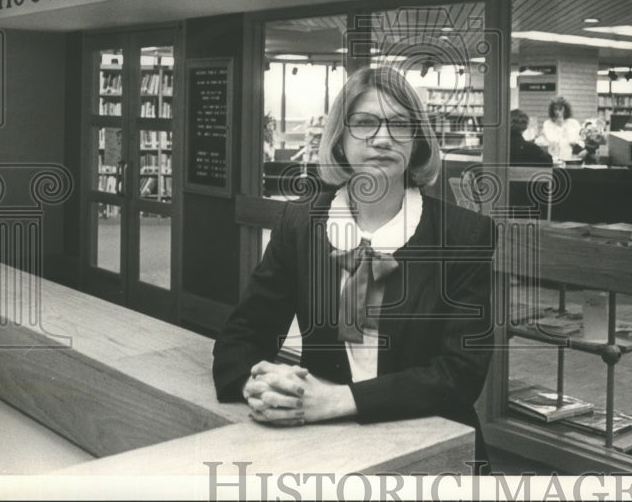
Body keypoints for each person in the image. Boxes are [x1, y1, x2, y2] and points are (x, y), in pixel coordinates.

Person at [212, 65, 496, 465]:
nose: (382, 138)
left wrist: (334, 401)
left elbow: (460, 375)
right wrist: (259, 386)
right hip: (326, 447)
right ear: (339, 138)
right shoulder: (302, 224)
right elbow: (242, 336)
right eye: (364, 123)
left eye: (399, 124)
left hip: (433, 447)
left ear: (416, 141)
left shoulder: (464, 235)